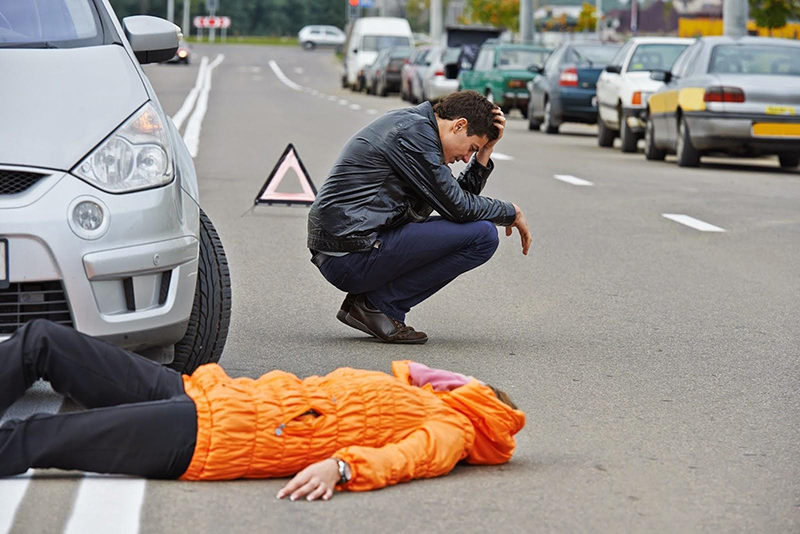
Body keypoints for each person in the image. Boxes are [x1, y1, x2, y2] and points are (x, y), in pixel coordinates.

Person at [0, 320, 525, 500]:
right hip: (206, 393)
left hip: (210, 437)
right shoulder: (428, 396)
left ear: (483, 399)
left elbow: (408, 459)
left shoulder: (453, 427)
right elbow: (406, 372)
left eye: (474, 384)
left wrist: (341, 468)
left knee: (37, 436)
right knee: (41, 341)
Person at [307, 91, 532, 345]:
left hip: (352, 247)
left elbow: (456, 207)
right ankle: (378, 305)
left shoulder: (420, 130)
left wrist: (485, 152)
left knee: (479, 232)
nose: (466, 158)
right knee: (483, 235)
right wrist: (511, 212)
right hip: (350, 254)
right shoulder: (414, 135)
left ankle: (374, 305)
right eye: (472, 148)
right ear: (459, 125)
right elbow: (459, 207)